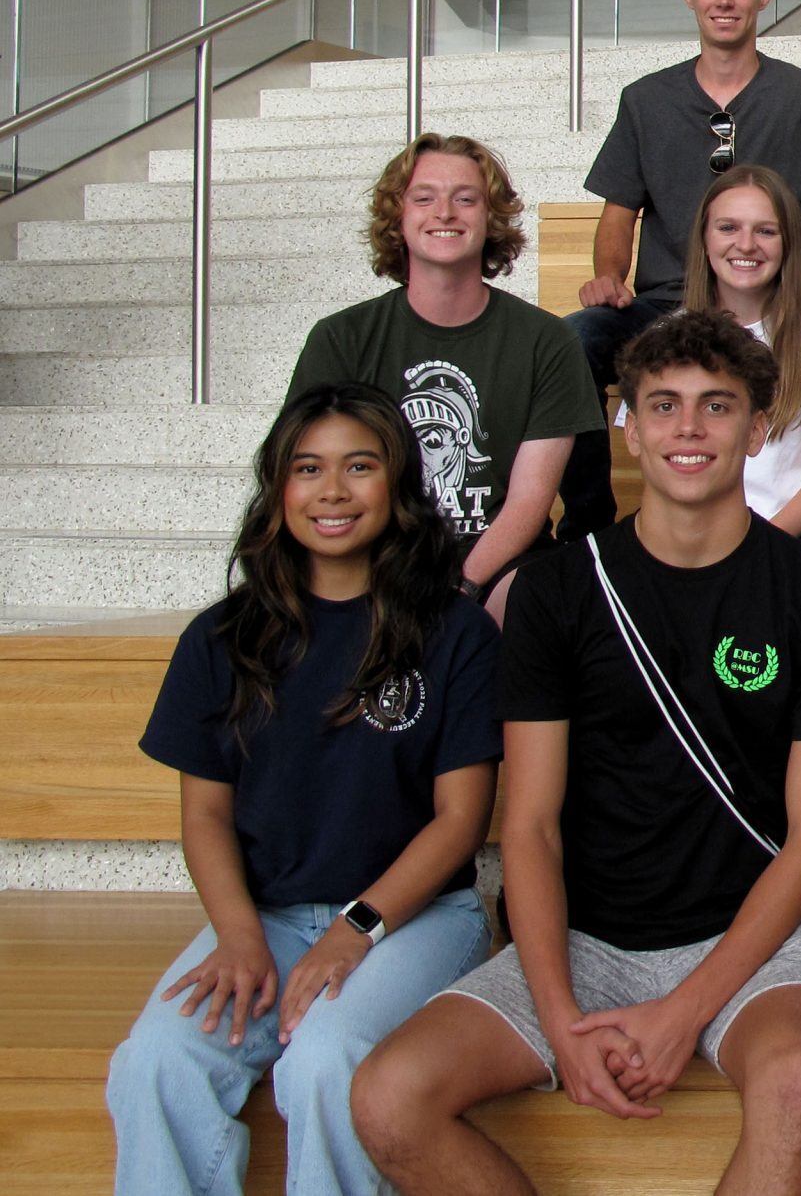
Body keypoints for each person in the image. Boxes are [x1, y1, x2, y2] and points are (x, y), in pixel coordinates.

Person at [350, 313, 801, 1196]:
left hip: (761, 936)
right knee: (388, 1097)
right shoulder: (556, 587)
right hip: (586, 939)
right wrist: (559, 1017)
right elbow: (532, 825)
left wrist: (686, 1010)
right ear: (627, 425)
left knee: (790, 1081)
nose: (689, 428)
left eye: (717, 406)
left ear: (758, 425)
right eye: (662, 405)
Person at [107, 382, 499, 1196]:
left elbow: (462, 821)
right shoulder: (222, 637)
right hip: (268, 919)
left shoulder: (454, 630)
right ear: (277, 488)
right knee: (154, 1059)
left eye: (360, 466)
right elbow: (206, 817)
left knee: (325, 1063)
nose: (331, 490)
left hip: (411, 921)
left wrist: (356, 928)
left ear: (397, 487)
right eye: (307, 468)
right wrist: (239, 934)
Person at [557, 0, 801, 545]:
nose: (725, 0)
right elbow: (619, 211)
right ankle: (588, 527)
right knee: (573, 341)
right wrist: (611, 277)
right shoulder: (646, 100)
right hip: (666, 303)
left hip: (769, 298)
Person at [286, 134, 599, 622]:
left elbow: (528, 504)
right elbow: (311, 477)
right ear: (399, 215)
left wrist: (462, 587)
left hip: (497, 566)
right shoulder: (341, 339)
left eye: (465, 199)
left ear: (490, 216)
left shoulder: (546, 341)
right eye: (424, 197)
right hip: (372, 556)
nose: (445, 213)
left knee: (532, 600)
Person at [678, 163, 801, 576]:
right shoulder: (671, 336)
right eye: (728, 228)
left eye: (766, 231)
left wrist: (751, 549)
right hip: (694, 540)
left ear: (790, 242)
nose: (746, 245)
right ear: (704, 238)